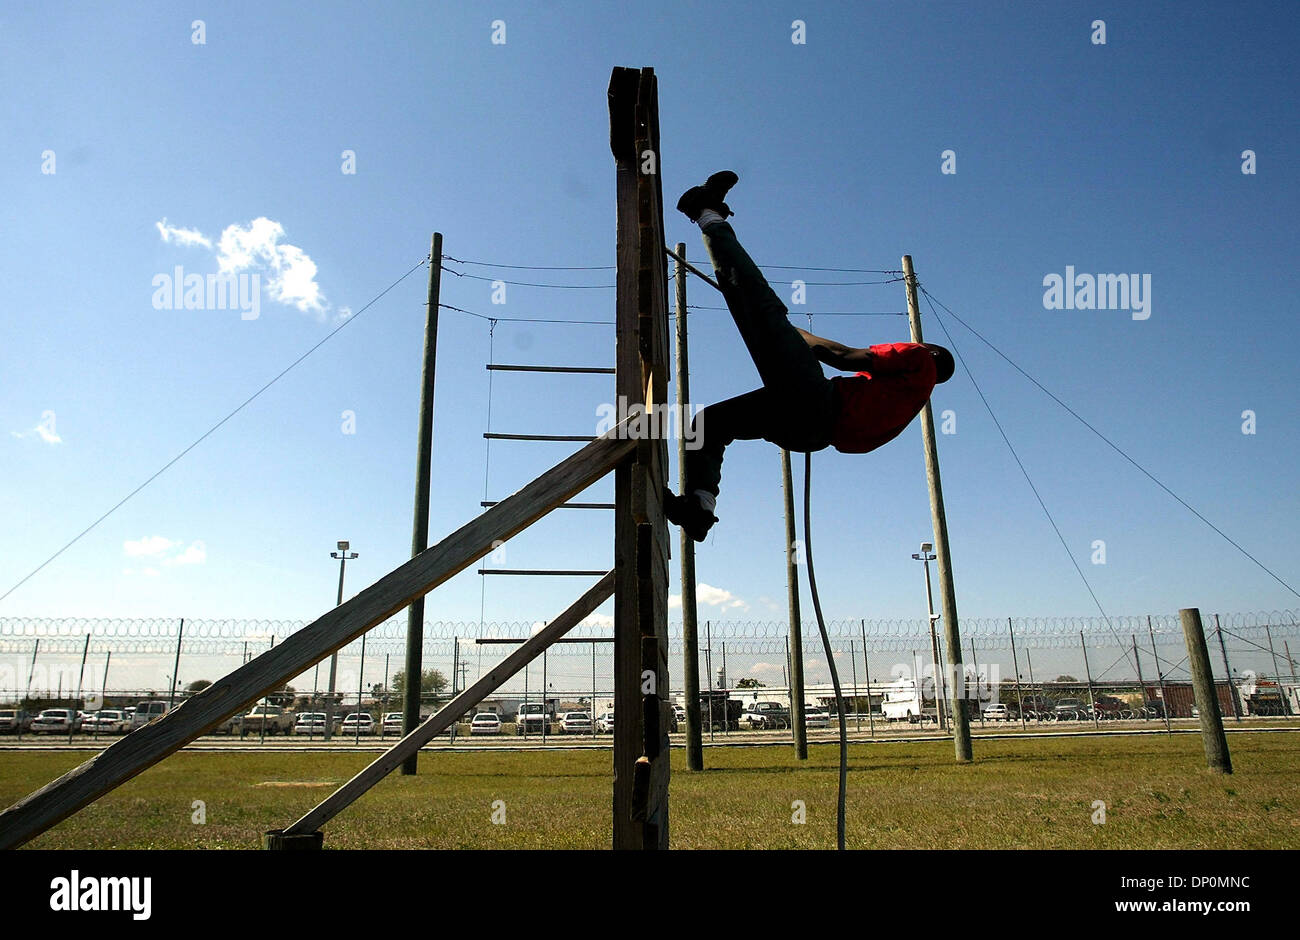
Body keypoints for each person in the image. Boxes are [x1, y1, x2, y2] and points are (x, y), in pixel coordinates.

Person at [664, 171, 956, 542]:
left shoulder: (920, 359)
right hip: (810, 434)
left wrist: (793, 334)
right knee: (707, 425)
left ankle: (704, 211)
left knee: (759, 303)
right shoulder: (907, 402)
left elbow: (841, 356)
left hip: (816, 402)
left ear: (932, 353)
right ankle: (699, 509)